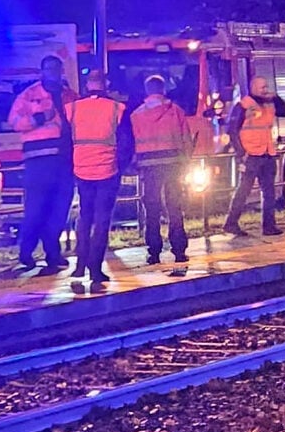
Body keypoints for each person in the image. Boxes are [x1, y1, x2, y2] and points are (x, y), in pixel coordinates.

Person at [9, 55, 77, 274]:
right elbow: (15, 122)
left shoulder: (70, 96)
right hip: (38, 163)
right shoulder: (29, 95)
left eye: (56, 68)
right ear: (42, 71)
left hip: (65, 161)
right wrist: (40, 118)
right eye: (48, 68)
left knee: (59, 210)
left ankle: (53, 254)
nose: (53, 72)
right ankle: (26, 254)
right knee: (36, 209)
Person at [65, 70, 127, 292]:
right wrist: (122, 165)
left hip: (81, 168)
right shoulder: (116, 108)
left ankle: (80, 265)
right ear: (105, 84)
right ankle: (96, 268)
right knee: (102, 221)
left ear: (87, 85)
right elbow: (126, 141)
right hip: (108, 170)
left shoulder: (73, 108)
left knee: (85, 216)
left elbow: (66, 139)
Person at [131, 75, 192, 275]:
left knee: (152, 209)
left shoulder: (136, 115)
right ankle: (179, 250)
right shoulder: (176, 112)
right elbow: (186, 139)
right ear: (163, 89)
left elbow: (133, 143)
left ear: (147, 91)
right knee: (175, 207)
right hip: (173, 164)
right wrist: (186, 162)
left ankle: (154, 251)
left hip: (149, 166)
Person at [223, 76, 285, 237]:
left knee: (269, 192)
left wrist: (275, 97)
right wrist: (241, 153)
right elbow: (232, 130)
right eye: (262, 87)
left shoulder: (269, 104)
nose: (265, 90)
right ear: (253, 88)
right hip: (250, 154)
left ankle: (269, 226)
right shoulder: (243, 105)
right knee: (243, 191)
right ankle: (231, 223)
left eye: (266, 86)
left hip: (267, 153)